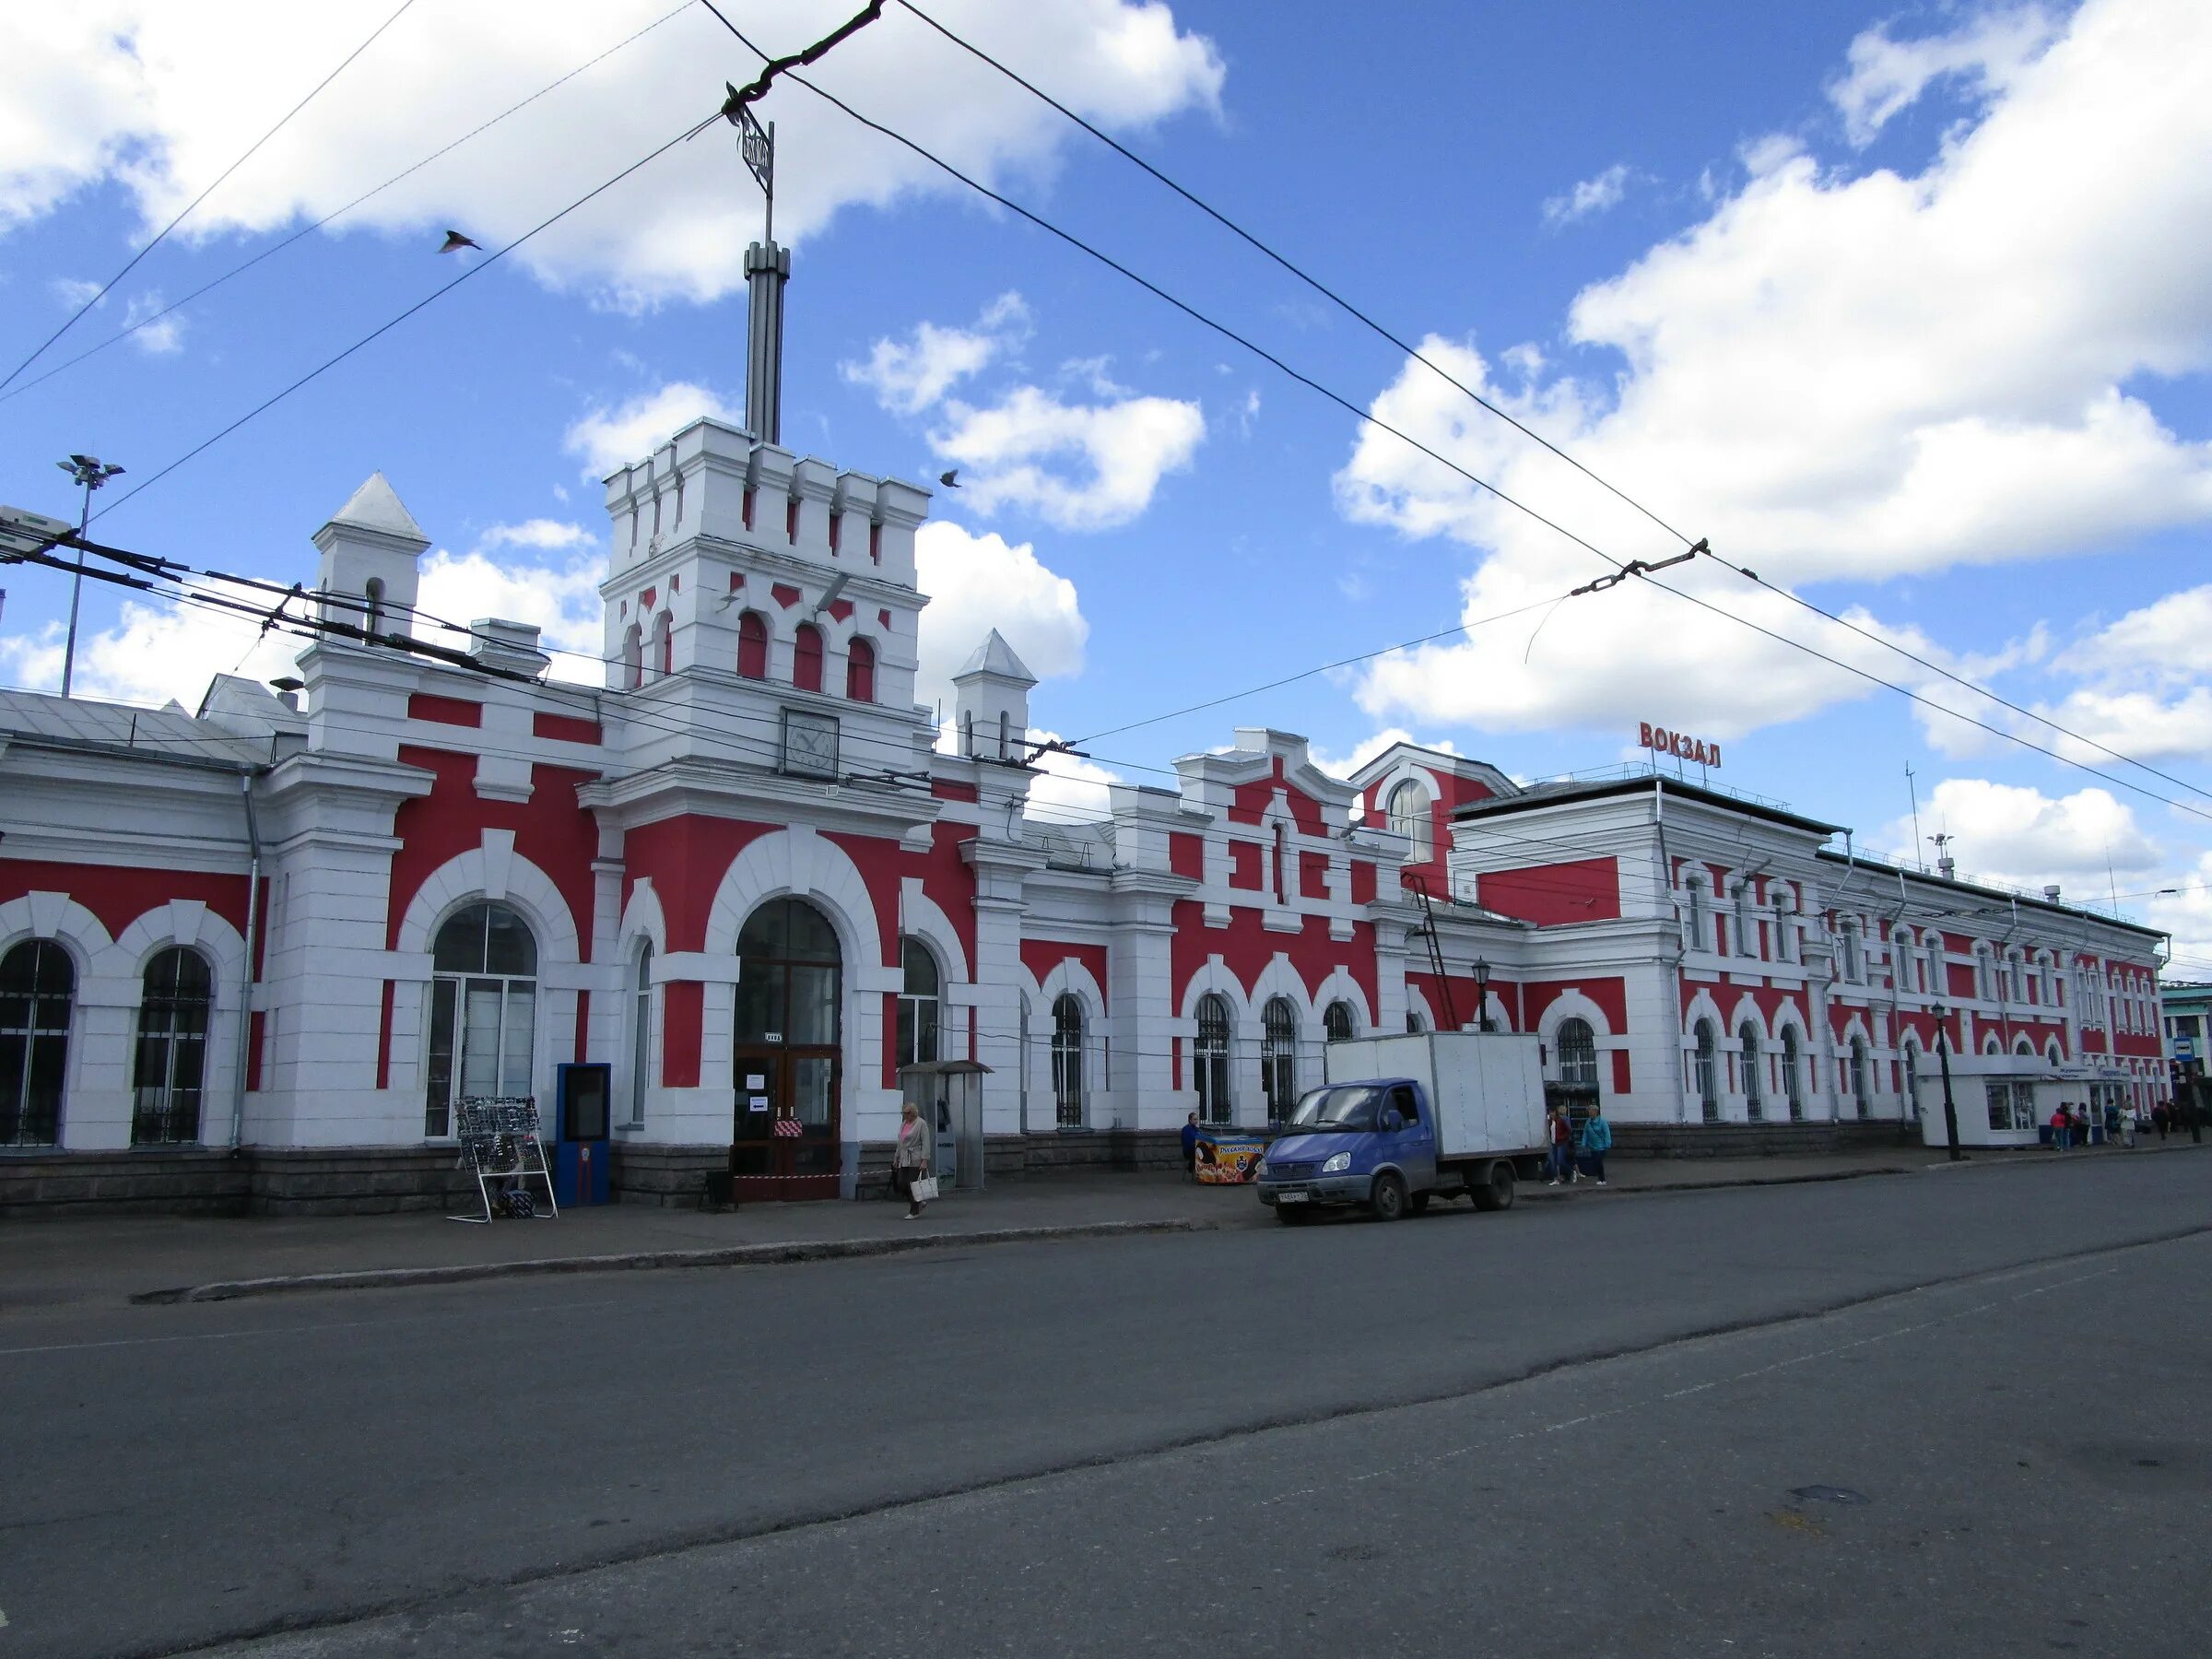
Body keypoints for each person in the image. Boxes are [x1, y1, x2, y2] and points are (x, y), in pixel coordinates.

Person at [893, 1100, 931, 1218]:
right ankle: (919, 1202)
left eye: (908, 1113)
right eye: (904, 1113)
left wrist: (925, 1159)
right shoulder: (904, 1124)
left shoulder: (921, 1124)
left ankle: (914, 1211)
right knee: (901, 1183)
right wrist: (896, 1157)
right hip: (904, 1158)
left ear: (913, 1112)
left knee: (912, 1184)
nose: (906, 1115)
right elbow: (900, 1142)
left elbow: (926, 1142)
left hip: (915, 1157)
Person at [1577, 1100, 1613, 1187]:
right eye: (1589, 1111)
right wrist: (1583, 1144)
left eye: (1591, 1111)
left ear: (1595, 1112)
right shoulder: (1588, 1122)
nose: (1589, 1113)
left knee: (1598, 1162)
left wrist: (1608, 1144)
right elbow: (1585, 1133)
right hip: (1592, 1146)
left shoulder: (1602, 1122)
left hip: (1601, 1147)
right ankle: (1600, 1179)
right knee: (1595, 1163)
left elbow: (1607, 1133)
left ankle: (1602, 1179)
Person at [1546, 1105, 1576, 1185]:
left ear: (1556, 1113)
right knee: (1553, 1162)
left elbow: (1569, 1131)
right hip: (1553, 1143)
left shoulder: (1560, 1120)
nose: (1551, 1114)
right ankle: (1556, 1179)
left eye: (1553, 1112)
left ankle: (1571, 1172)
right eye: (1550, 1113)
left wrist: (1562, 1137)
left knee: (1560, 1161)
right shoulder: (1550, 1122)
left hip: (1561, 1143)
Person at [1181, 1111, 1204, 1181]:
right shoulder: (1186, 1129)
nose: (1196, 1121)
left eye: (1197, 1119)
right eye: (1195, 1119)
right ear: (1190, 1120)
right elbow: (1188, 1142)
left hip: (1196, 1149)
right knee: (1199, 1154)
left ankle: (1205, 1173)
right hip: (1189, 1150)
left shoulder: (1197, 1129)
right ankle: (1193, 1169)